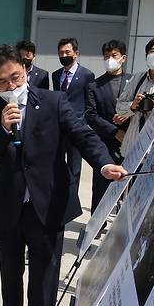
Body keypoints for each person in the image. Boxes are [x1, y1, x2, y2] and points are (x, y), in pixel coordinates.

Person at [0, 44, 127, 306]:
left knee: (43, 281)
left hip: (47, 206)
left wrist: (103, 164)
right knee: (10, 277)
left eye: (16, 76)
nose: (11, 84)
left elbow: (83, 135)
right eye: (3, 81)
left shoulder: (53, 102)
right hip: (10, 207)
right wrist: (1, 128)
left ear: (26, 71)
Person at [85, 39, 132, 214]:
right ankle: (98, 221)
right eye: (106, 56)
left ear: (123, 58)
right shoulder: (94, 86)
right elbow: (91, 115)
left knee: (130, 181)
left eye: (114, 55)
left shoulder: (134, 81)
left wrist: (126, 132)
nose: (110, 59)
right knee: (101, 184)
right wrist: (115, 132)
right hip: (105, 141)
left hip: (131, 140)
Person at [51, 38, 95, 218]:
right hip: (58, 129)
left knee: (75, 169)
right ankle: (58, 197)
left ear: (76, 53)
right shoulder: (55, 75)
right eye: (61, 53)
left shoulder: (87, 75)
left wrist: (83, 125)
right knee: (57, 165)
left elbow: (89, 103)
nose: (64, 56)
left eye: (67, 53)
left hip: (76, 129)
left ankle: (71, 204)